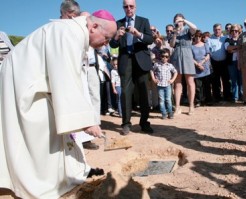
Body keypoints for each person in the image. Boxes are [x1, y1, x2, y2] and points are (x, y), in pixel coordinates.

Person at [0, 10, 117, 199]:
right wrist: (86, 122)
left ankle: (62, 175)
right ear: (94, 26)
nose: (107, 43)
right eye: (106, 38)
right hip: (26, 88)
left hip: (32, 84)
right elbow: (65, 79)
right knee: (40, 134)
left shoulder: (73, 32)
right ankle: (41, 184)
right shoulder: (68, 33)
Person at [109, 0, 154, 135]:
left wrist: (138, 34)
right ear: (123, 8)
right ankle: (126, 123)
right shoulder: (118, 23)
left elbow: (150, 40)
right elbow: (112, 45)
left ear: (135, 7)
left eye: (131, 6)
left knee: (144, 93)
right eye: (126, 6)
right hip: (125, 60)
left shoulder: (144, 21)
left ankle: (144, 123)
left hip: (141, 60)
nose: (128, 9)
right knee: (126, 93)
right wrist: (117, 36)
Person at [61, 2, 100, 150]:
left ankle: (90, 134)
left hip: (89, 67)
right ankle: (76, 138)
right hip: (74, 69)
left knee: (92, 100)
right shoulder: (64, 30)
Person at [170, 13, 197, 115]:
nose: (178, 22)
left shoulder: (187, 30)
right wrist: (175, 34)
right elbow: (172, 45)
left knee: (190, 81)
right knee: (177, 82)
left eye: (179, 20)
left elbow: (194, 27)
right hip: (176, 56)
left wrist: (184, 21)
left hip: (187, 55)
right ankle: (177, 107)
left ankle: (191, 105)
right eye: (176, 20)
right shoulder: (173, 32)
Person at [207, 23, 232, 102]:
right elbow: (208, 51)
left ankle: (227, 96)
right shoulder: (209, 40)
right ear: (213, 30)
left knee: (226, 80)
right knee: (215, 81)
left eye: (218, 29)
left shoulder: (225, 38)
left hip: (224, 62)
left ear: (221, 30)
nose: (217, 31)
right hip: (214, 63)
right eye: (215, 29)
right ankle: (217, 97)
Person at [150, 48, 177, 119]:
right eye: (163, 56)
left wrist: (172, 80)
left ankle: (170, 112)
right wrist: (154, 79)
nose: (164, 58)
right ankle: (163, 113)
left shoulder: (170, 65)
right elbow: (151, 71)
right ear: (160, 56)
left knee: (168, 99)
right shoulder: (157, 64)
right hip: (160, 85)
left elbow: (175, 72)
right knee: (161, 100)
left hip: (168, 85)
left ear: (169, 57)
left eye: (166, 56)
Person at [192, 30, 213, 107]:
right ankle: (198, 101)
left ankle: (208, 100)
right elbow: (191, 57)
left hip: (205, 68)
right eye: (196, 36)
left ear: (201, 37)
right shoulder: (192, 46)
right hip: (196, 69)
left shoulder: (205, 45)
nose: (197, 38)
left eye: (199, 36)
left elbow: (208, 55)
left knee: (207, 85)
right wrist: (197, 64)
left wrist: (202, 62)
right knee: (198, 86)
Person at [225, 24, 243, 103]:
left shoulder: (242, 39)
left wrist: (233, 50)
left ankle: (242, 95)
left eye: (236, 31)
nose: (234, 32)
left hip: (242, 62)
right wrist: (238, 48)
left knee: (241, 80)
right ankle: (235, 97)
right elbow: (227, 48)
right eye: (232, 31)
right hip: (231, 62)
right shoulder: (227, 40)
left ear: (239, 31)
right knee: (234, 80)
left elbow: (231, 49)